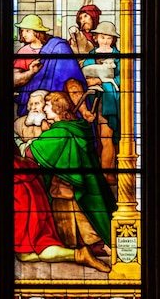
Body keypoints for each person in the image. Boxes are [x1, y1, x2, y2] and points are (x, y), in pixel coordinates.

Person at [0, 103, 110, 272]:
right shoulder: (0, 137)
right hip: (32, 194)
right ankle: (78, 255)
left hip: (14, 198)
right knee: (27, 252)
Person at [25, 91, 117, 254]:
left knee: (80, 218)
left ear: (58, 108)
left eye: (47, 104)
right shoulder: (76, 128)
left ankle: (86, 245)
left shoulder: (60, 132)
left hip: (69, 190)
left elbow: (31, 153)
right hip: (74, 187)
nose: (45, 109)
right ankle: (85, 245)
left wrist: (39, 138)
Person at [13, 14, 92, 121]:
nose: (23, 34)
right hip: (33, 100)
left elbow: (70, 77)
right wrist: (31, 72)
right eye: (22, 31)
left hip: (58, 98)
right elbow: (14, 80)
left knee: (71, 81)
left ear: (37, 32)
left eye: (27, 30)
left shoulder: (58, 47)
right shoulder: (24, 52)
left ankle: (83, 111)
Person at [82, 21, 121, 183]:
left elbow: (124, 78)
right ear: (96, 38)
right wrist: (91, 80)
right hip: (95, 102)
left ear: (113, 40)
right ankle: (106, 173)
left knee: (108, 136)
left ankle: (107, 174)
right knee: (101, 137)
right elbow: (84, 77)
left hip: (112, 102)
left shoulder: (118, 57)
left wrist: (102, 81)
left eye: (108, 38)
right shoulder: (91, 56)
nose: (105, 41)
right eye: (102, 37)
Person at [13, 89, 50, 155]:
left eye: (37, 103)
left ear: (45, 104)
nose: (33, 107)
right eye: (31, 104)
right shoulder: (19, 122)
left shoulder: (51, 123)